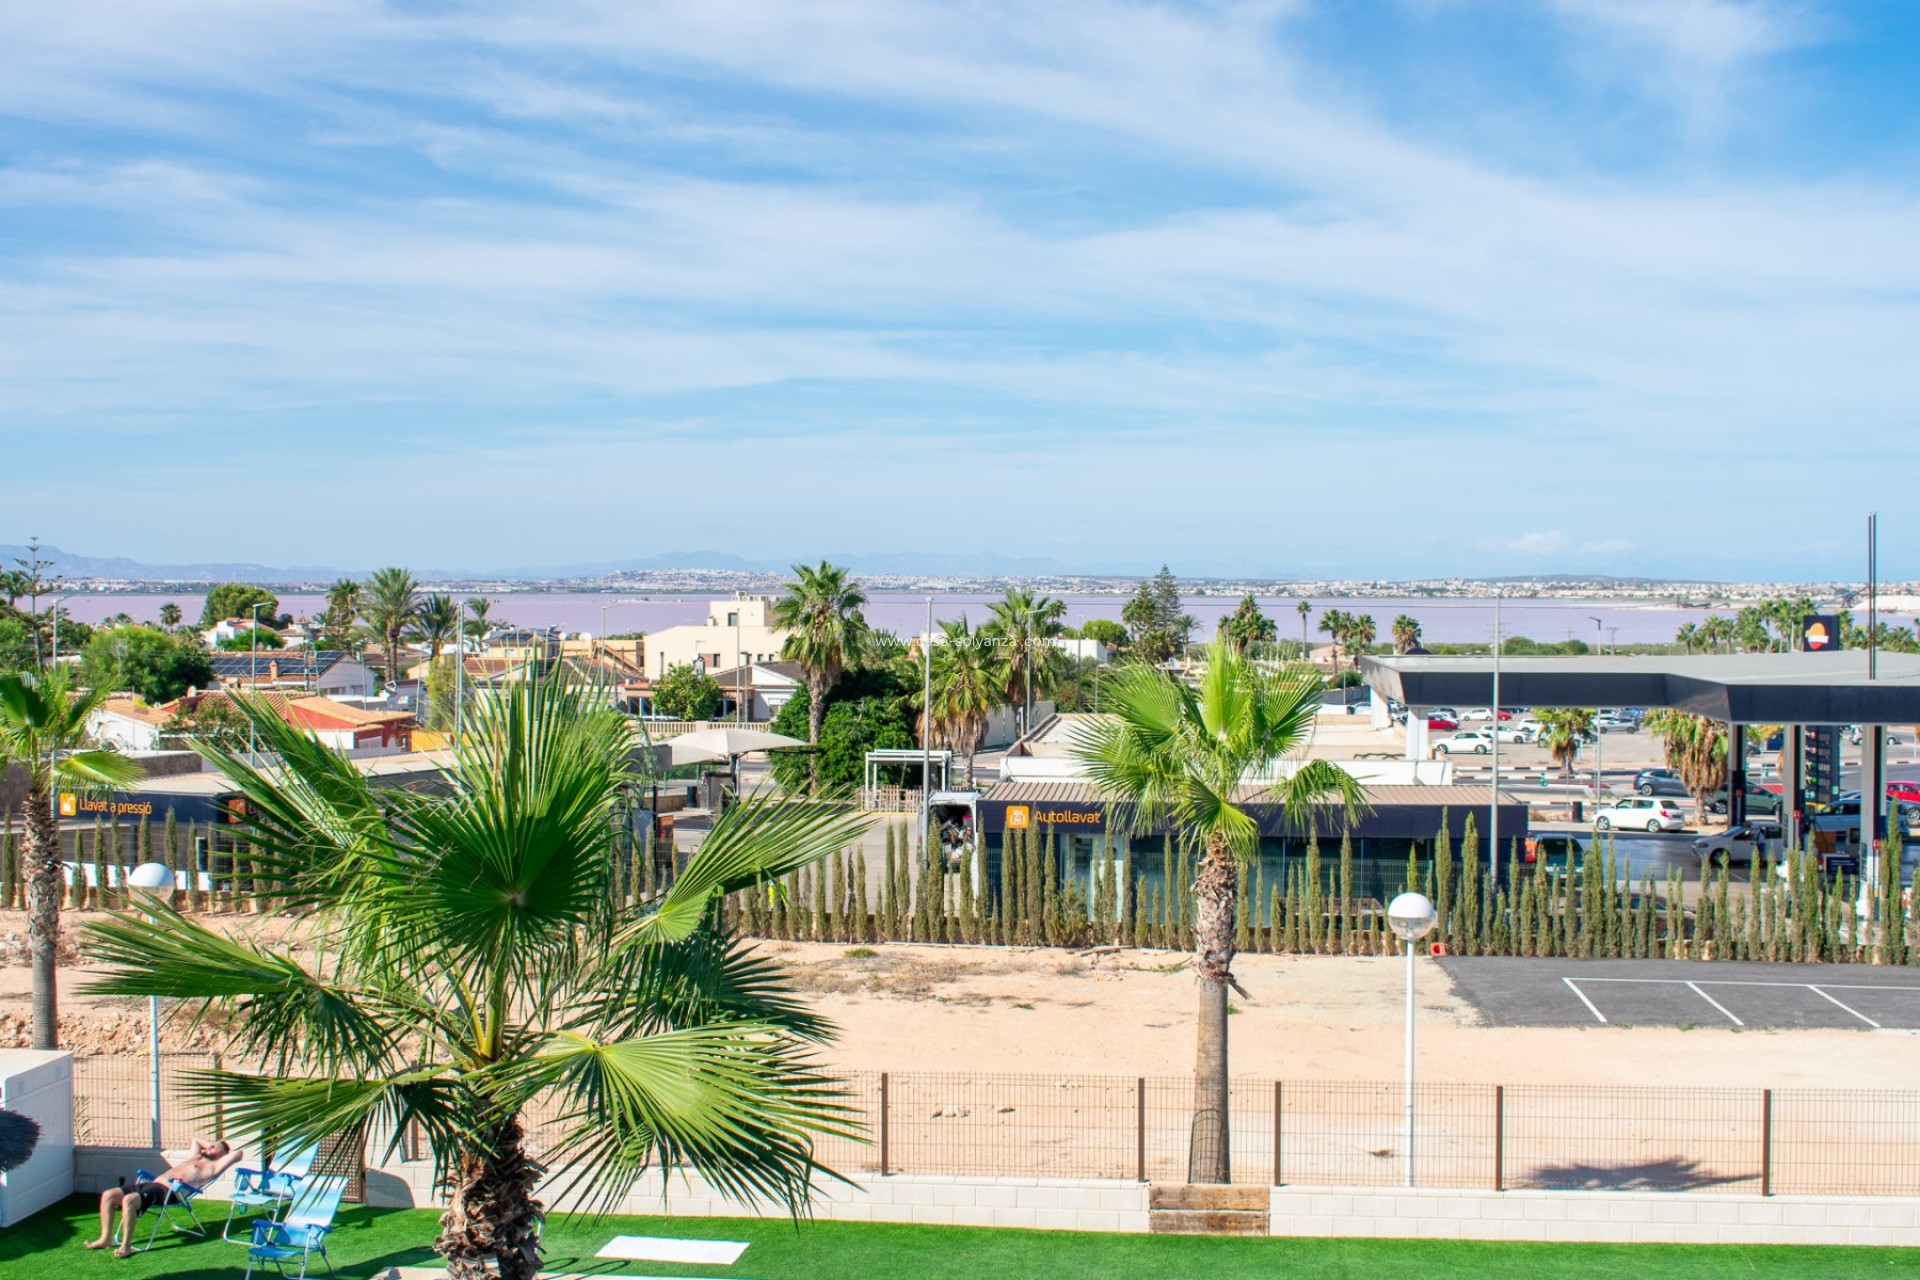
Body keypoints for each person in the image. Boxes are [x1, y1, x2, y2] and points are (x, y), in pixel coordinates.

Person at [87, 1137, 245, 1258]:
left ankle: (126, 1246)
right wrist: (212, 1145)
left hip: (168, 1192)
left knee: (129, 1200)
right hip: (153, 1183)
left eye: (213, 1147)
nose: (209, 1147)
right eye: (210, 1145)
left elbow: (238, 1154)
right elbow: (195, 1139)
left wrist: (220, 1150)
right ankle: (105, 1238)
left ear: (222, 1154)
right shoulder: (195, 1157)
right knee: (108, 1195)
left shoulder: (213, 1167)